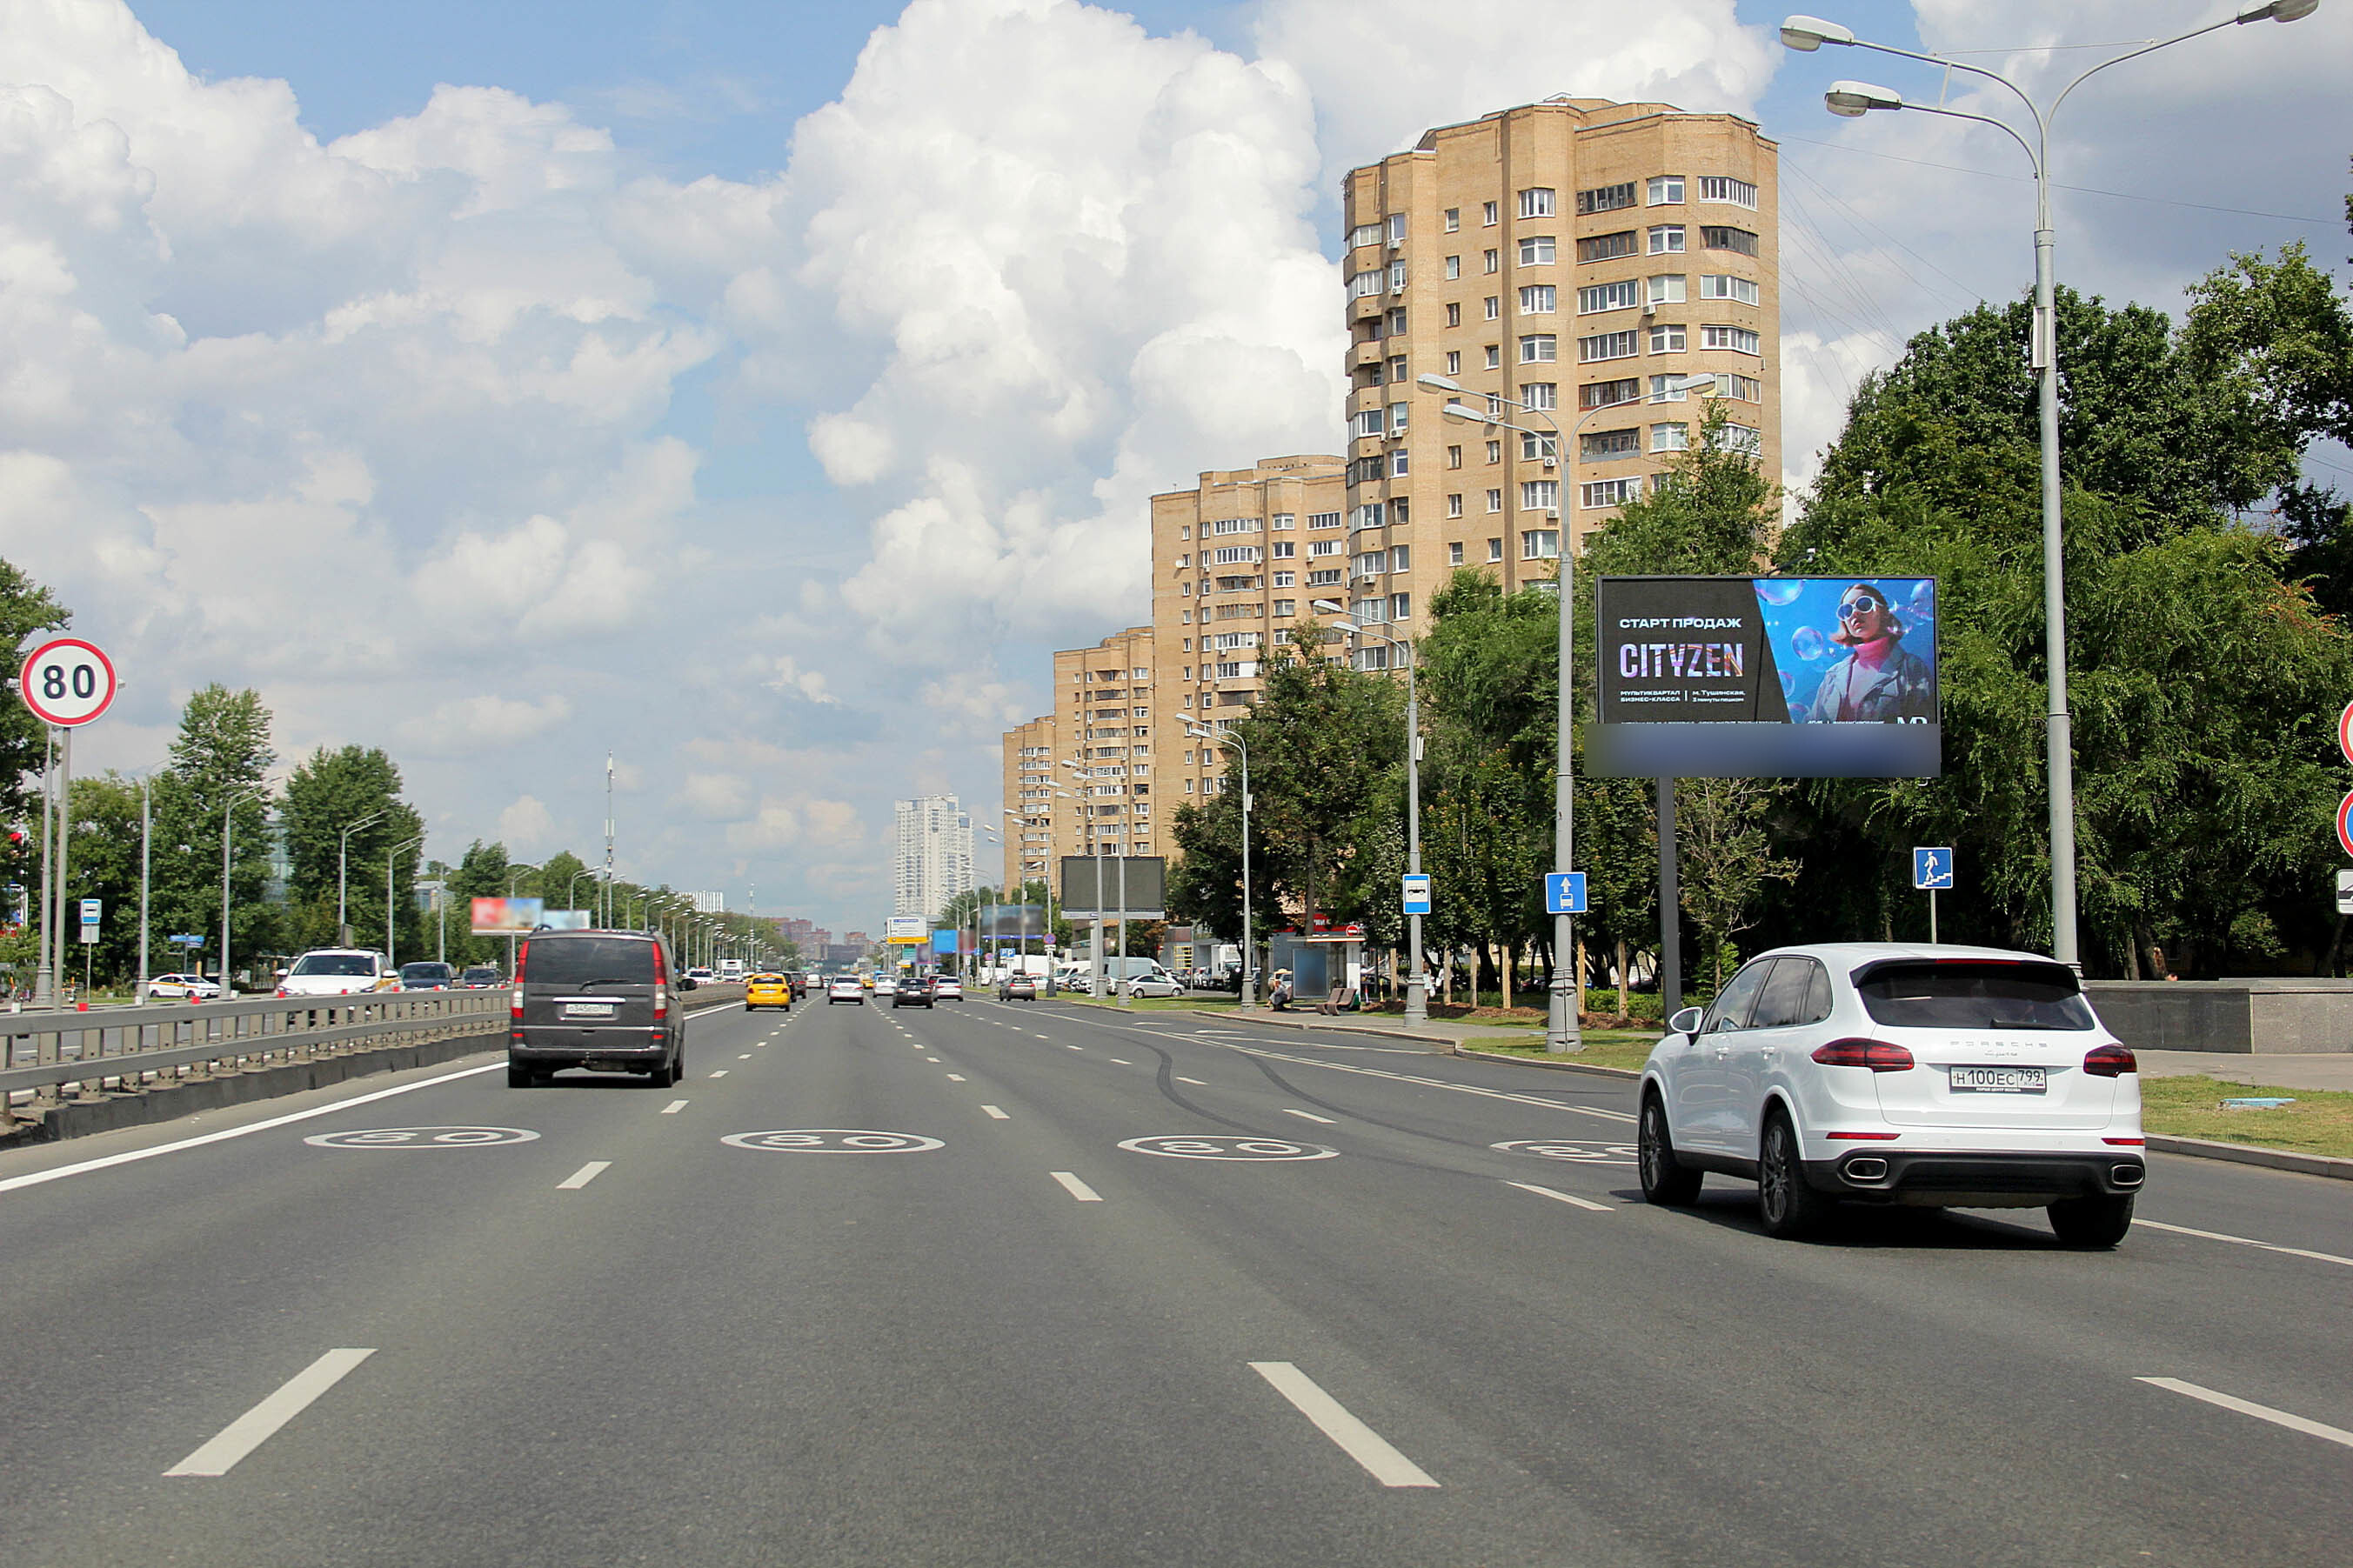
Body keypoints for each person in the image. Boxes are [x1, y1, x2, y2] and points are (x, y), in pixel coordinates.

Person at [1804, 583, 1935, 723]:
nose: (1854, 613)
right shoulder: (1833, 675)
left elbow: (1924, 726)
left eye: (1864, 604)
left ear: (1884, 612)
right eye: (1846, 611)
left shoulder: (1911, 668)